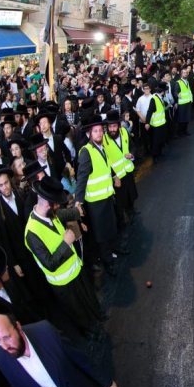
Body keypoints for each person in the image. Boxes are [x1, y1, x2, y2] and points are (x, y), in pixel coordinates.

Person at [0, 307, 127, 387]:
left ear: (18, 327)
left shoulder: (45, 331)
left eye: (7, 337)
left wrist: (105, 381)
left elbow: (79, 358)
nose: (4, 346)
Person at [25, 175, 105, 337]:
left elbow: (61, 214)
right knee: (78, 310)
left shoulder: (50, 214)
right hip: (63, 282)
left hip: (75, 268)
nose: (58, 207)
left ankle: (97, 316)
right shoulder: (31, 233)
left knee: (88, 298)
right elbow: (49, 263)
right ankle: (90, 332)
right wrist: (66, 243)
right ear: (47, 203)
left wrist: (76, 211)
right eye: (56, 204)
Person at [75, 114, 124, 277]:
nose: (99, 134)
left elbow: (106, 166)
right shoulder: (86, 152)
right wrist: (78, 201)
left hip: (107, 197)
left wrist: (115, 176)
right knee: (101, 234)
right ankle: (107, 261)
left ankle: (114, 249)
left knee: (111, 227)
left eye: (100, 131)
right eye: (95, 131)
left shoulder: (101, 147)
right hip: (96, 203)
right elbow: (81, 177)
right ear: (89, 134)